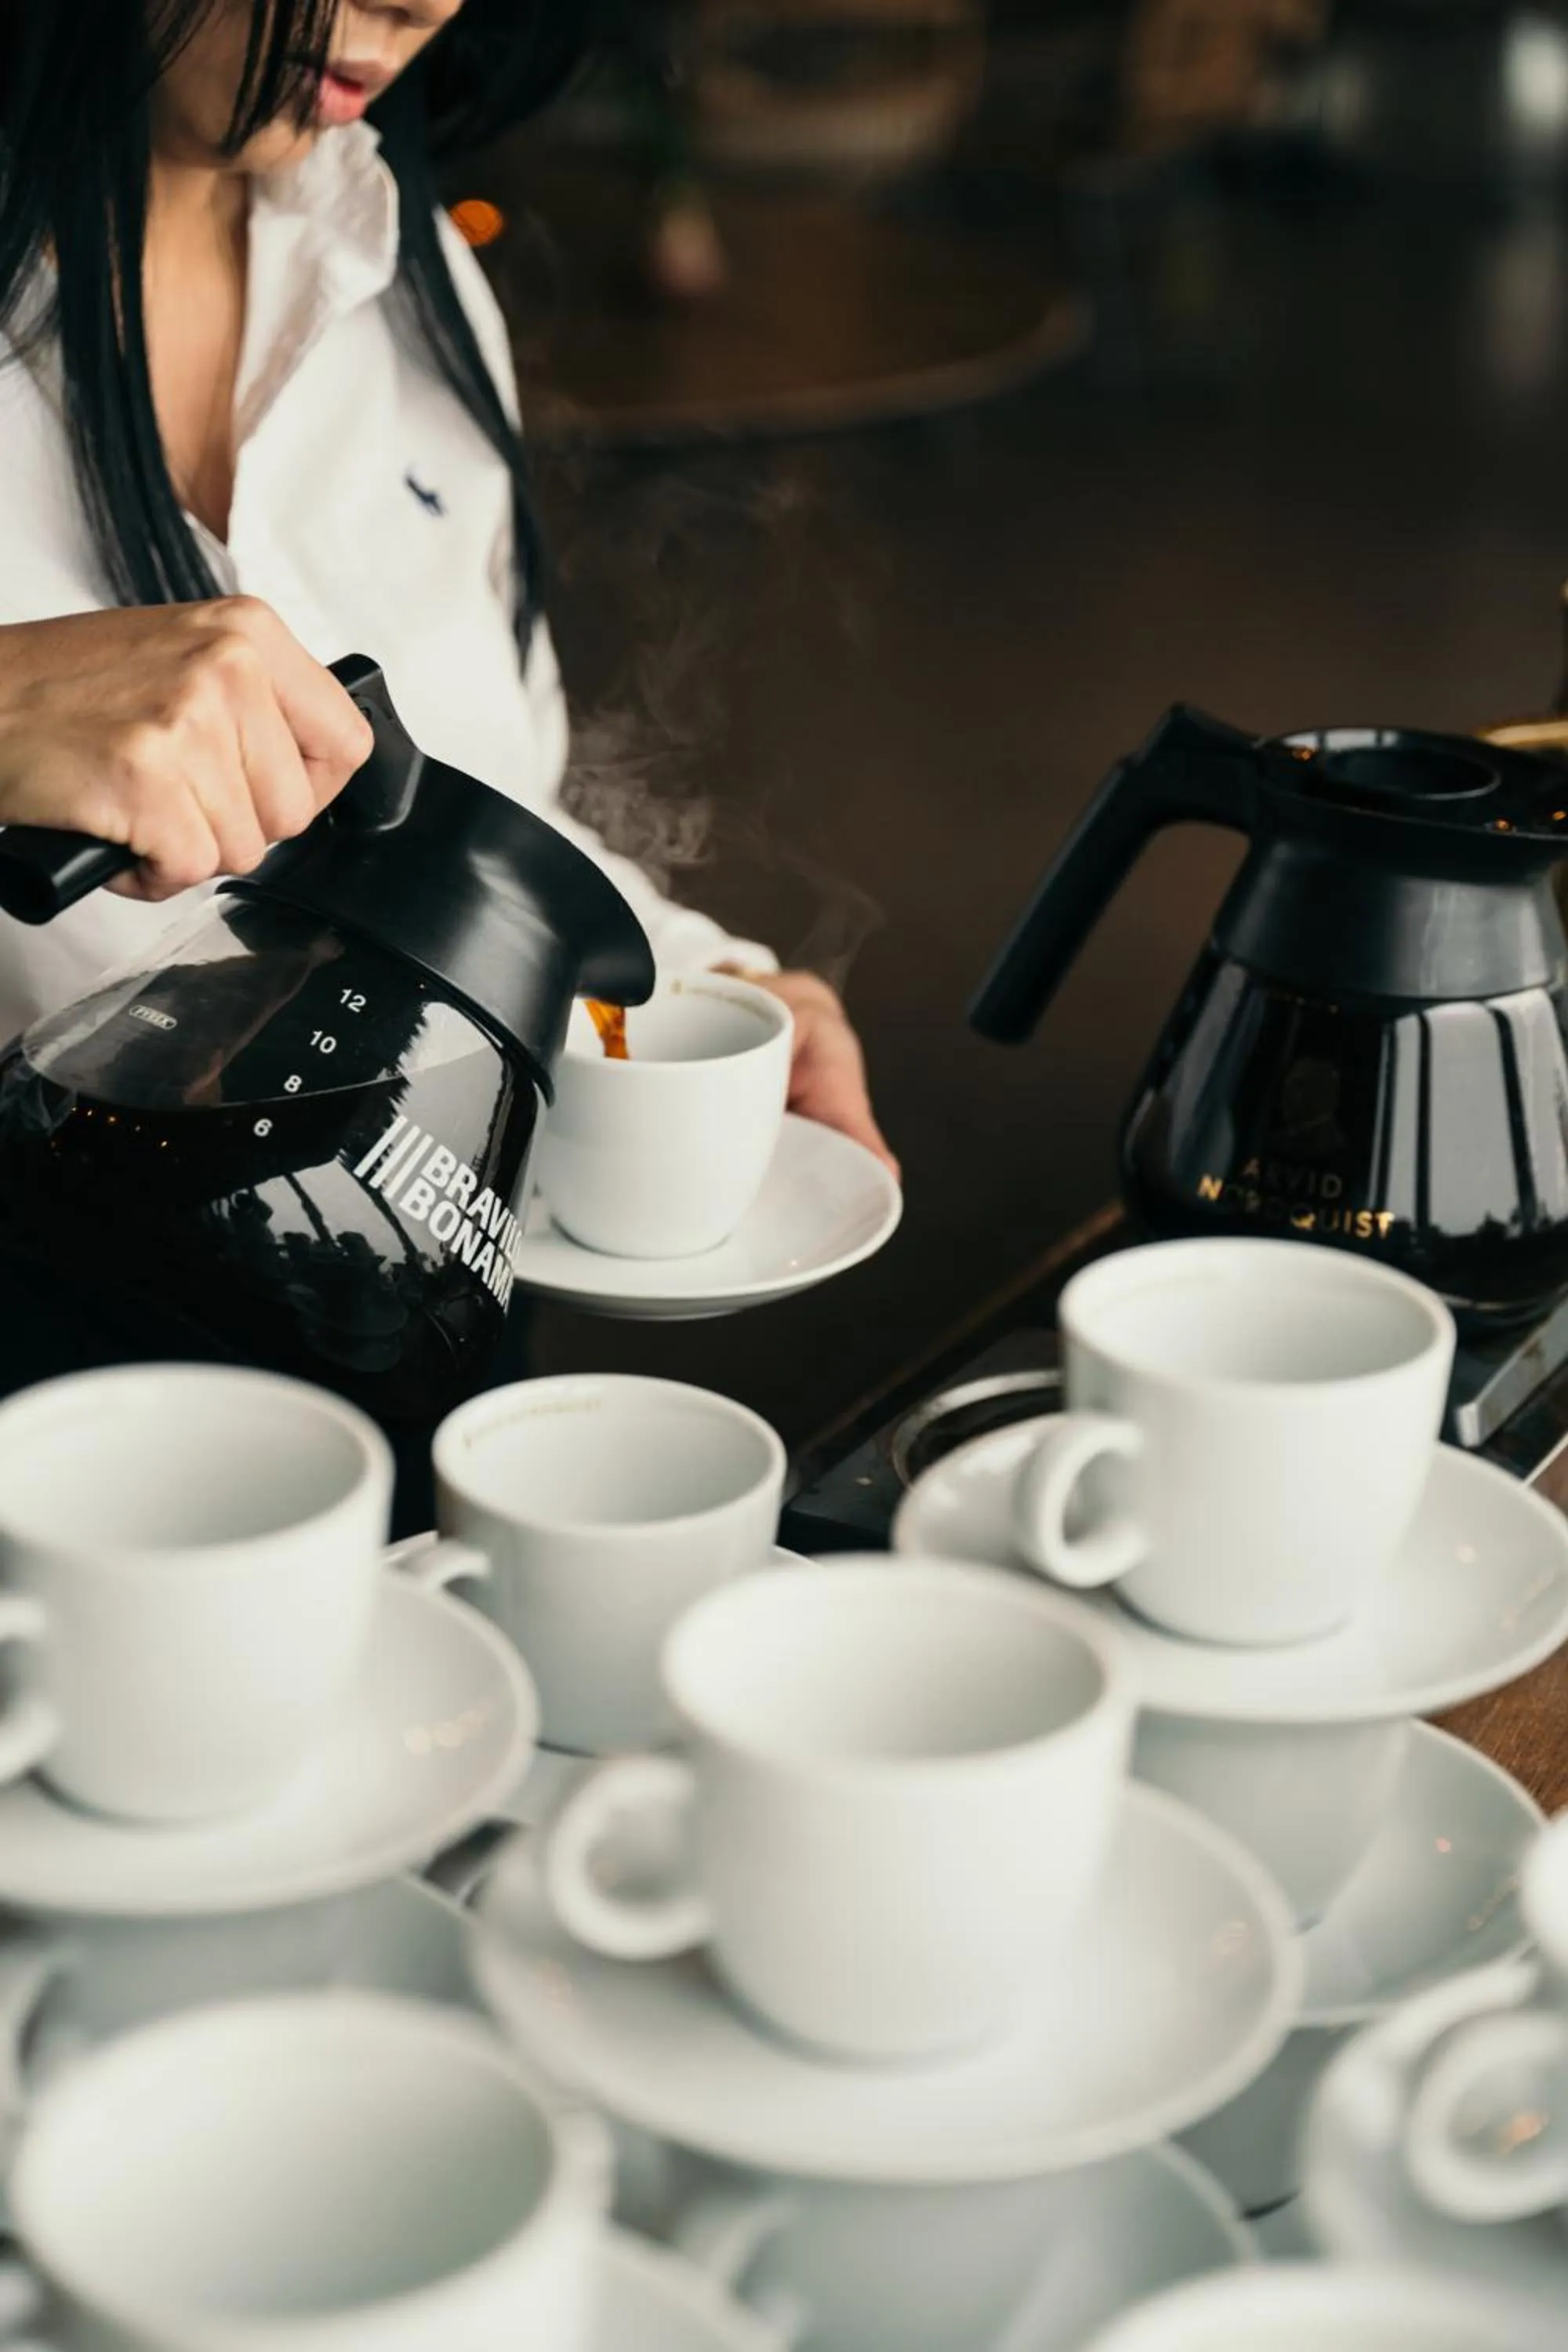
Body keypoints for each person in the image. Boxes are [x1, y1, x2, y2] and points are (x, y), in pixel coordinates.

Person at [0, 0, 895, 1173]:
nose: (425, 2)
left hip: (397, 1289)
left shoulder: (410, 285)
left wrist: (692, 983)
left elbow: (475, 805)